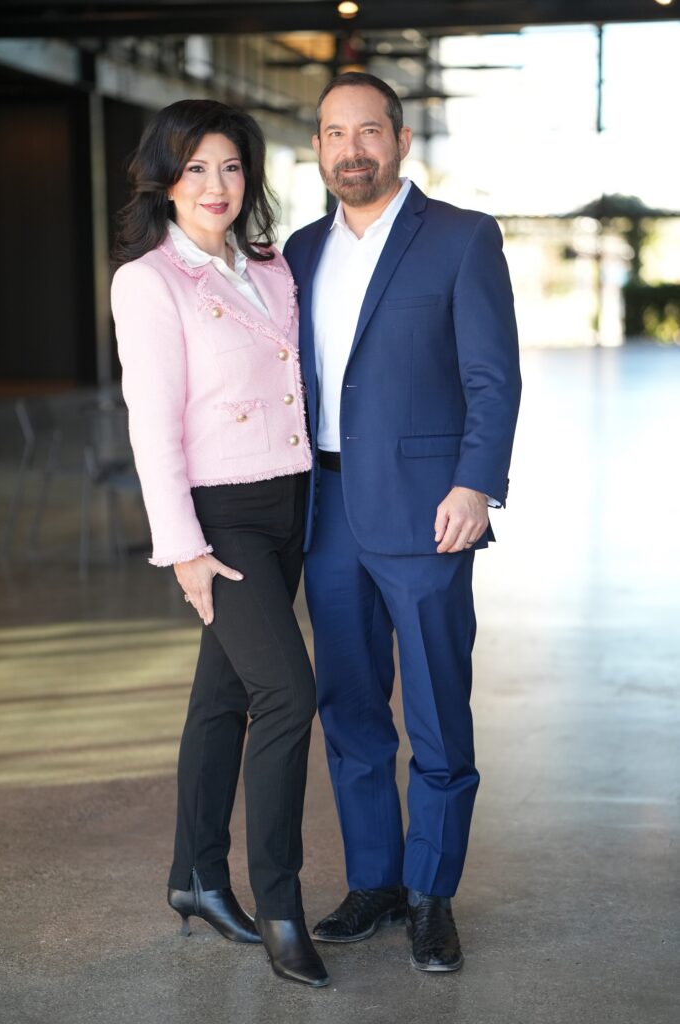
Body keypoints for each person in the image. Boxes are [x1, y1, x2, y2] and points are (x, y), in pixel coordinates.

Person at [283, 72, 521, 973]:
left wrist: (474, 485)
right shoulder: (299, 251)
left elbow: (492, 376)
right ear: (317, 147)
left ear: (401, 140)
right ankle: (375, 882)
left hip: (428, 513)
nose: (351, 149)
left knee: (434, 712)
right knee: (349, 710)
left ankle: (430, 894)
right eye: (334, 133)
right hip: (327, 511)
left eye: (368, 131)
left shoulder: (460, 237)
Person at [111, 99, 329, 988]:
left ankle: (196, 877)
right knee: (287, 694)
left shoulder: (271, 267)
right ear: (165, 179)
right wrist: (184, 549)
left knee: (223, 695)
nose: (215, 185)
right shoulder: (148, 282)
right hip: (222, 514)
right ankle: (279, 903)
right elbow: (151, 425)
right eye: (196, 168)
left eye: (231, 166)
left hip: (291, 502)